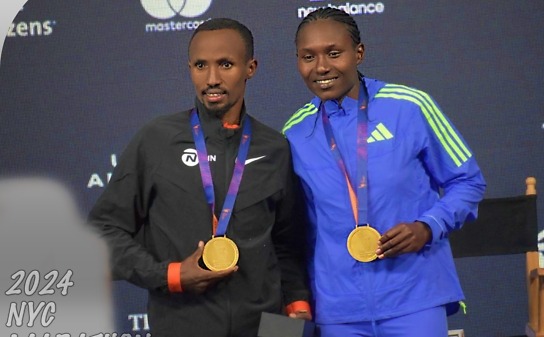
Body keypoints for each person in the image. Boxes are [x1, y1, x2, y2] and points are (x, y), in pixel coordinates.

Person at [88, 18, 311, 337]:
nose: (212, 78)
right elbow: (103, 231)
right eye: (200, 65)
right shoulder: (157, 141)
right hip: (183, 325)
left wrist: (297, 313)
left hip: (268, 328)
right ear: (189, 68)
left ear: (251, 68)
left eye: (226, 64)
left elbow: (288, 246)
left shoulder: (274, 148)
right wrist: (171, 275)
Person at [282, 7, 486, 337]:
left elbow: (467, 181)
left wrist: (427, 226)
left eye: (334, 53)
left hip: (414, 297)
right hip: (337, 310)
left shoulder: (409, 106)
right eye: (308, 57)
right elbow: (291, 229)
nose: (321, 67)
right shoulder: (293, 133)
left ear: (358, 53)